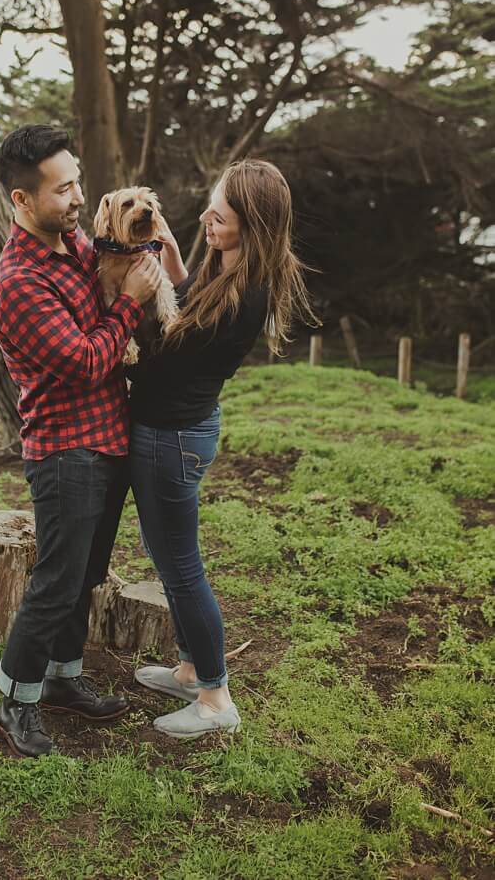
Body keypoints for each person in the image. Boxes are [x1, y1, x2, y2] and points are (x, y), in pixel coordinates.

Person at [0, 124, 163, 758]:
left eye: (78, 184)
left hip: (108, 438)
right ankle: (17, 697)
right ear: (22, 201)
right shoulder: (16, 283)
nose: (78, 199)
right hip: (66, 450)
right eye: (63, 191)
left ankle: (63, 679)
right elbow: (88, 361)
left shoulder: (74, 243)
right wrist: (132, 305)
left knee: (87, 574)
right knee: (56, 580)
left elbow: (111, 270)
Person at [126, 159, 317, 738]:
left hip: (171, 437)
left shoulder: (245, 294)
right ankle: (189, 669)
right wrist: (176, 266)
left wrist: (129, 300)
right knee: (168, 560)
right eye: (212, 203)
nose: (207, 215)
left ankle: (215, 697)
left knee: (183, 570)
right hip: (179, 430)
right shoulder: (229, 267)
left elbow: (163, 347)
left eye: (222, 212)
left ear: (252, 223)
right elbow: (186, 305)